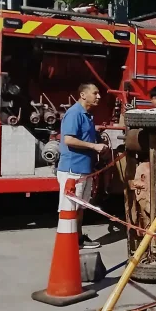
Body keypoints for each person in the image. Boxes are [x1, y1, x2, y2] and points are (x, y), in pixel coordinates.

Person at [57, 83, 109, 249]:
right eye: (95, 93)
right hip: (73, 170)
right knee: (70, 208)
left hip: (84, 169)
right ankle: (68, 244)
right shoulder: (74, 113)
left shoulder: (87, 115)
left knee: (80, 207)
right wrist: (94, 147)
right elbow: (68, 140)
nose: (99, 96)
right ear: (83, 95)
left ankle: (78, 238)